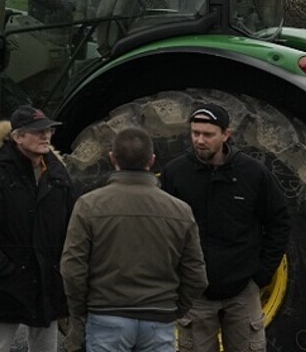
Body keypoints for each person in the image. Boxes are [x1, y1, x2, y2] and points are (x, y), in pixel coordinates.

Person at [60, 127, 207, 352]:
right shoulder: (180, 210)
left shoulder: (88, 205)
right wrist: (173, 309)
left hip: (106, 315)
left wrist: (82, 309)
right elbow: (196, 275)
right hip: (159, 318)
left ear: (112, 158)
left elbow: (72, 268)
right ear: (152, 160)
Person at [161, 103, 290, 352]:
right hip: (195, 294)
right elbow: (162, 230)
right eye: (195, 133)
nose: (199, 140)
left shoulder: (253, 173)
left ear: (226, 135)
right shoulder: (175, 173)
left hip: (243, 292)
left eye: (207, 135)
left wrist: (261, 275)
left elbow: (279, 223)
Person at [0, 106, 76, 352]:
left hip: (47, 279)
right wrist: (1, 266)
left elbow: (72, 222)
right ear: (17, 137)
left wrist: (61, 266)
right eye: (38, 131)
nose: (46, 136)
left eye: (48, 130)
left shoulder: (58, 172)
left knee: (46, 348)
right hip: (6, 280)